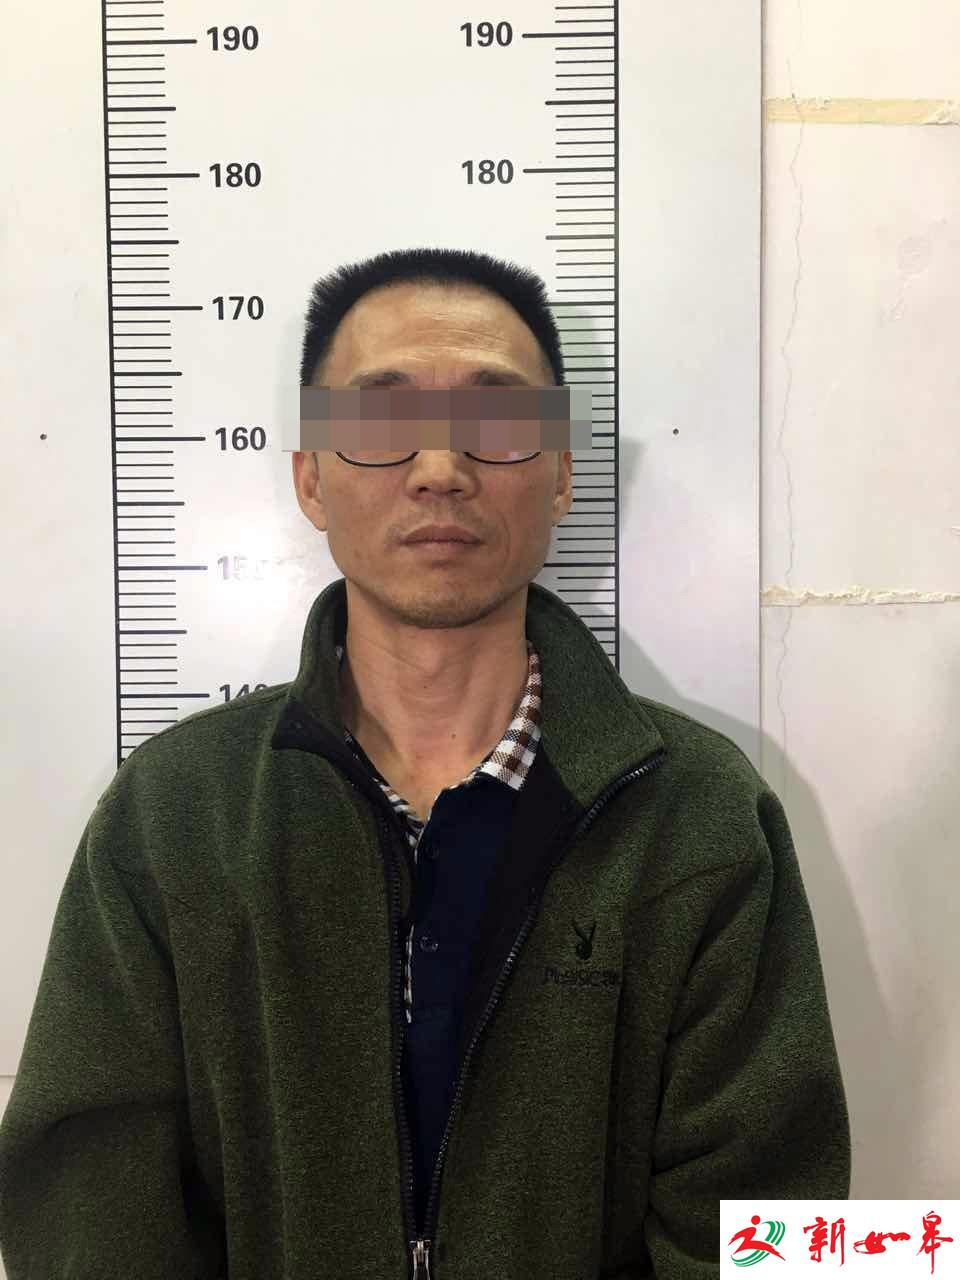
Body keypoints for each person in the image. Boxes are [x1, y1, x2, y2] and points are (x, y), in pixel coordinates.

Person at [0, 247, 850, 1280]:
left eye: (497, 417)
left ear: (562, 473)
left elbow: (765, 1227)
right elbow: (88, 1209)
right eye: (380, 419)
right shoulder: (175, 814)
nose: (441, 467)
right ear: (310, 475)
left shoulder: (699, 817)